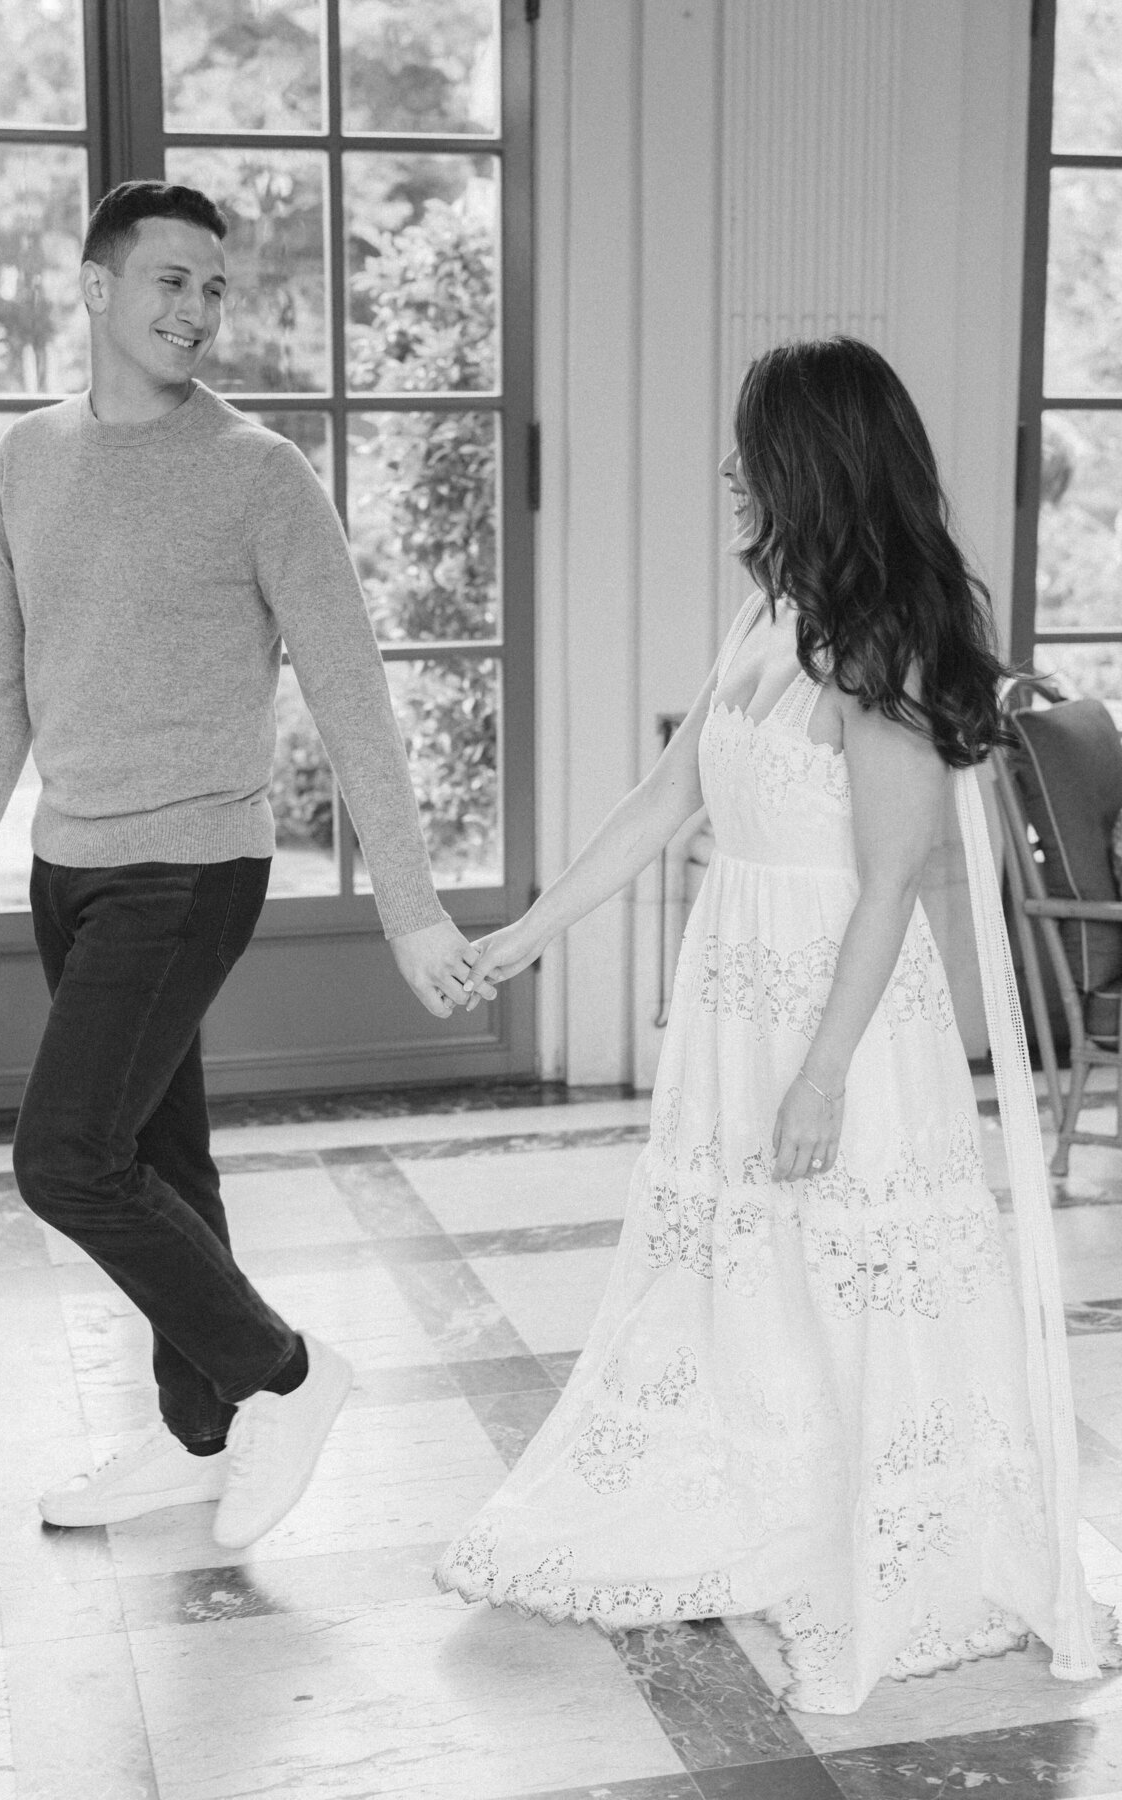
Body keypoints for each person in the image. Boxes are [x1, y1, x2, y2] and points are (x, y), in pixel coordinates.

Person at [438, 336, 1114, 1712]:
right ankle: (763, 1486)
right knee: (749, 1269)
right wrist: (522, 935)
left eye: (753, 452)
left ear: (816, 465)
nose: (729, 473)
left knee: (852, 1272)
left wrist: (823, 1074)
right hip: (738, 994)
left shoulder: (882, 647)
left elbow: (893, 881)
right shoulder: (769, 615)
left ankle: (887, 1533)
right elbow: (663, 798)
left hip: (842, 1010)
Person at [0, 180, 492, 1550]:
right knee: (160, 1155)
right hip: (71, 868)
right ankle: (203, 1434)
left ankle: (284, 1375)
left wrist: (411, 908)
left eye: (215, 288)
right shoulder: (30, 458)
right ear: (96, 286)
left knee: (64, 1158)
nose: (198, 310)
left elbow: (352, 695)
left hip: (191, 870)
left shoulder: (258, 473)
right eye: (171, 280)